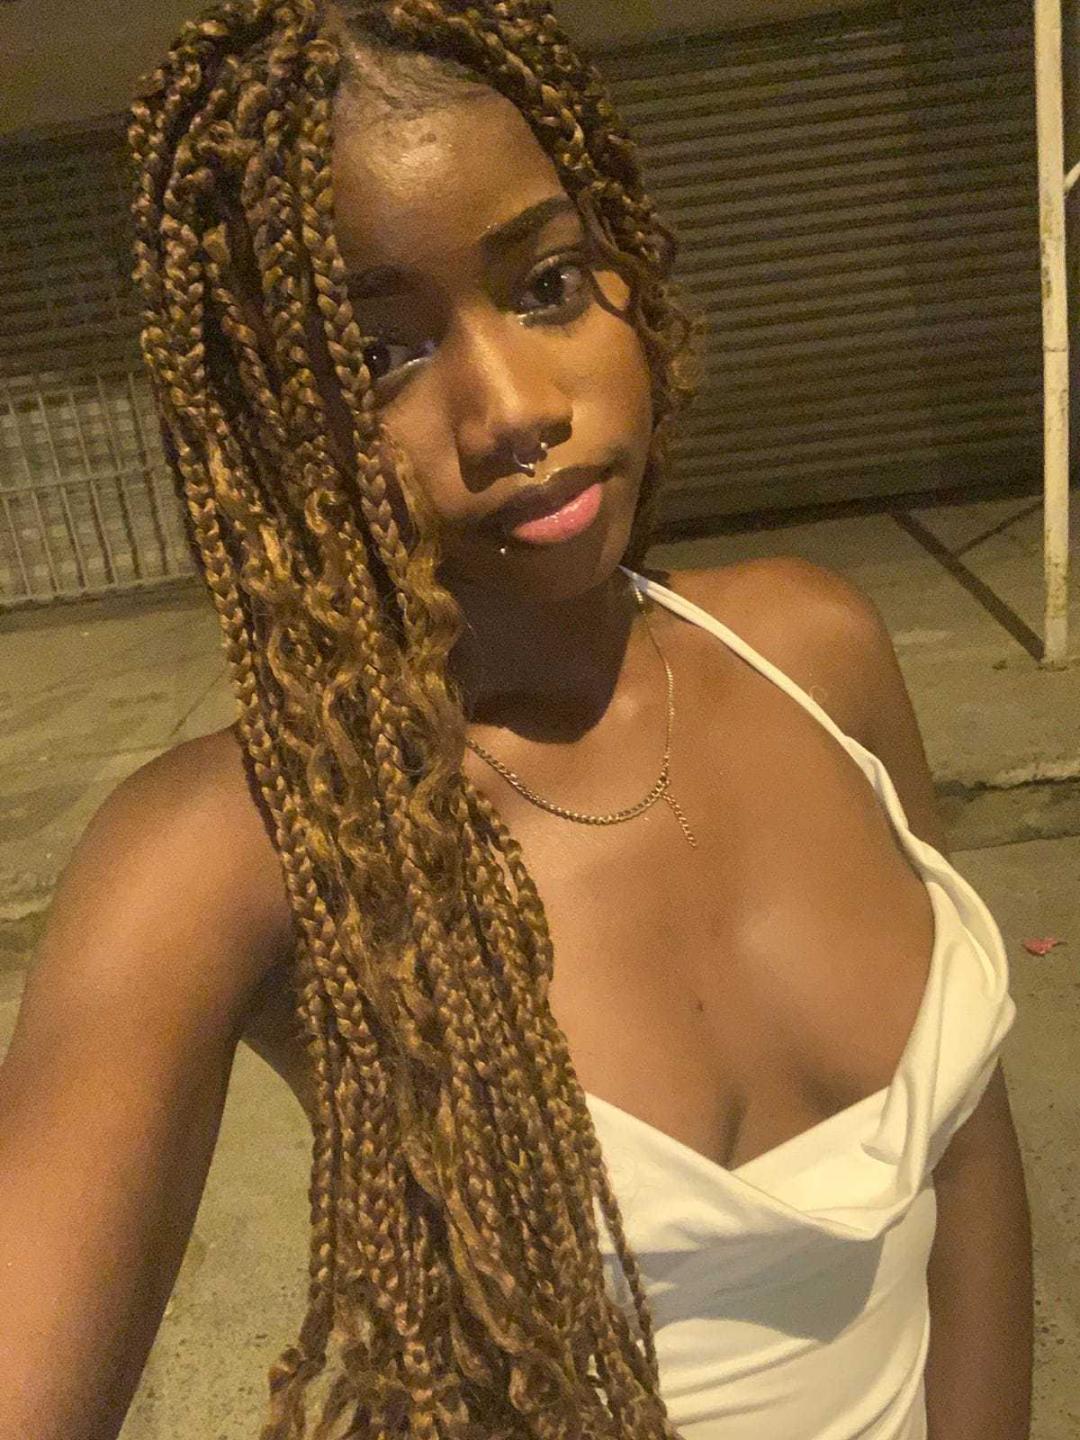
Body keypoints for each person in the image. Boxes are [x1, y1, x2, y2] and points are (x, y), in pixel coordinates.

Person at [0, 2, 1033, 1438]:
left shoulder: (816, 651)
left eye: (546, 284)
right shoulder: (245, 845)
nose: (513, 408)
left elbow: (969, 1168)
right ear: (267, 425)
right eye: (377, 356)